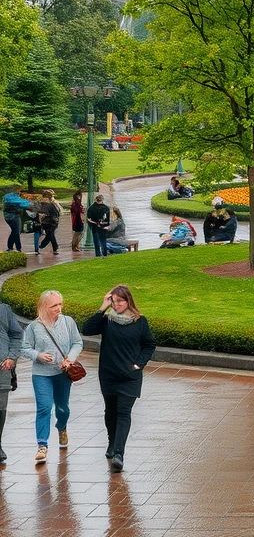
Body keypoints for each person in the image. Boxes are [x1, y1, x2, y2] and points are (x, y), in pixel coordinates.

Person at [81, 286, 156, 472]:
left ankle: (119, 454)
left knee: (123, 413)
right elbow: (86, 329)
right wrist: (102, 307)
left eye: (120, 301)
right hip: (109, 374)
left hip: (130, 376)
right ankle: (112, 441)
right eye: (113, 301)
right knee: (110, 411)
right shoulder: (106, 321)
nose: (117, 304)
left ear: (128, 301)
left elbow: (149, 345)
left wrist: (139, 364)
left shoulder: (140, 322)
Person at [21, 289, 84, 464]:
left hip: (63, 374)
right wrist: (37, 356)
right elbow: (24, 348)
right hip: (41, 374)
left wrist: (69, 359)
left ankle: (62, 427)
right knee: (44, 408)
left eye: (60, 304)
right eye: (54, 305)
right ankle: (42, 446)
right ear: (44, 307)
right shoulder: (34, 327)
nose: (58, 308)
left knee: (62, 409)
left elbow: (78, 343)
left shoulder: (68, 322)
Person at [0, 301, 23, 463]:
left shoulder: (4, 310)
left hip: (2, 371)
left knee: (0, 409)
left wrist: (12, 357)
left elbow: (16, 334)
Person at [3, 187, 31, 252]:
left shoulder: (8, 197)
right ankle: (17, 248)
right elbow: (23, 204)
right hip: (14, 217)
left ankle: (12, 247)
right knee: (16, 231)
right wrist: (29, 203)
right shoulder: (14, 199)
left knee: (14, 231)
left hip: (8, 217)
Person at [37, 190, 61, 256]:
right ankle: (54, 248)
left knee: (50, 234)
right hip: (46, 221)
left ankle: (45, 245)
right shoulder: (44, 203)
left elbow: (57, 211)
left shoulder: (53, 202)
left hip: (52, 221)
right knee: (50, 234)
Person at [87, 193, 111, 257]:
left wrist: (94, 223)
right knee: (103, 241)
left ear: (95, 199)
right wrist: (107, 225)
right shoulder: (106, 208)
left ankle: (98, 254)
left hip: (95, 227)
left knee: (96, 241)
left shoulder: (91, 208)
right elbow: (108, 219)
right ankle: (104, 253)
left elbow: (89, 219)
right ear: (102, 199)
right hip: (104, 226)